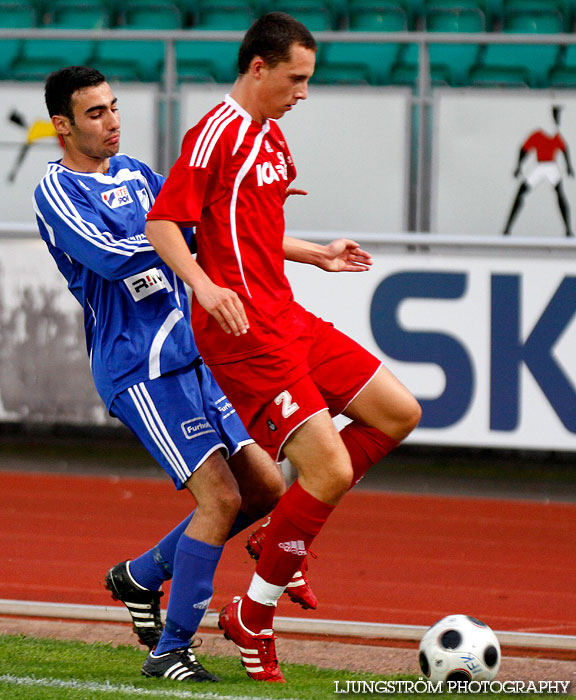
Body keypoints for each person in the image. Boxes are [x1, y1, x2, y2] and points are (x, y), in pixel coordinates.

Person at [144, 12, 422, 683]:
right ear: (259, 67)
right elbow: (163, 223)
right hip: (242, 336)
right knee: (325, 471)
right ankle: (253, 616)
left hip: (286, 317)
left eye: (310, 80)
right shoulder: (215, 134)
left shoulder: (270, 138)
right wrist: (204, 288)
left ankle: (284, 531)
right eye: (296, 78)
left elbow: (252, 233)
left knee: (398, 412)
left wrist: (316, 254)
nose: (304, 92)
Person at [32, 65, 289, 683]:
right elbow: (114, 256)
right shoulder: (57, 191)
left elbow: (206, 233)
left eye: (115, 107)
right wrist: (181, 241)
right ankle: (172, 648)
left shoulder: (138, 173)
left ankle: (141, 576)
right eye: (95, 113)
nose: (113, 121)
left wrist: (276, 231)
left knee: (265, 488)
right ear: (62, 126)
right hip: (138, 364)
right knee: (221, 499)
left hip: (194, 350)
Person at [503, 105, 574, 237]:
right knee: (521, 192)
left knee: (560, 195)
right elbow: (524, 149)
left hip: (551, 167)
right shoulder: (539, 134)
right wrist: (518, 166)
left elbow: (564, 149)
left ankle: (568, 230)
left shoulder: (556, 135)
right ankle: (507, 228)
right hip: (540, 166)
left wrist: (569, 167)